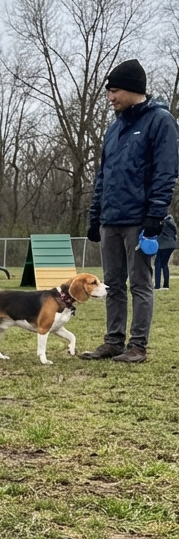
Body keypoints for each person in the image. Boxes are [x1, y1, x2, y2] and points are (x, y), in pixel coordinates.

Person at [82, 59, 179, 363]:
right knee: (112, 286)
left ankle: (137, 346)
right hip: (110, 221)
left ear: (134, 89)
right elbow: (103, 175)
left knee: (140, 284)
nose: (110, 97)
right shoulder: (114, 129)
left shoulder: (160, 121)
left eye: (115, 90)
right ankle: (113, 342)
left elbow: (167, 173)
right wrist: (95, 214)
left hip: (140, 220)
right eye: (109, 91)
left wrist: (155, 215)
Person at [155, 215, 177, 291]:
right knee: (165, 264)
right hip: (171, 245)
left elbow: (156, 231)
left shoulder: (163, 223)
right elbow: (175, 235)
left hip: (162, 245)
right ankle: (166, 285)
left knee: (157, 264)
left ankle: (157, 286)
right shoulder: (172, 224)